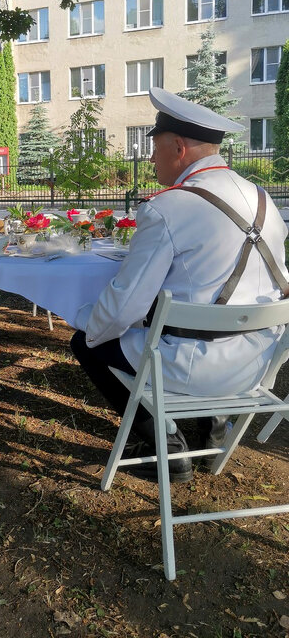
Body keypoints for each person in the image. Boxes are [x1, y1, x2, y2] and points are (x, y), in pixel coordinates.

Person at [71, 88, 289, 482]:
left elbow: (125, 307)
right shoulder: (263, 199)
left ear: (179, 148)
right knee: (202, 312)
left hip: (198, 368)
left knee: (86, 339)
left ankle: (167, 449)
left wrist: (88, 327)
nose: (151, 158)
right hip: (258, 364)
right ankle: (213, 431)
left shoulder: (167, 208)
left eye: (154, 147)